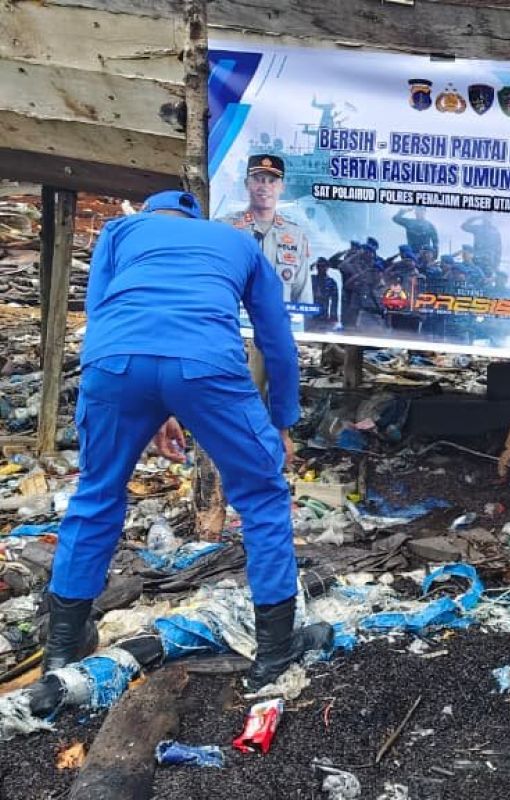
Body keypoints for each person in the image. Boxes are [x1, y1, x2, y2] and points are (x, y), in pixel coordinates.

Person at [44, 190, 331, 688]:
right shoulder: (238, 241)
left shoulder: (120, 231)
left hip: (115, 364)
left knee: (96, 492)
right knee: (262, 497)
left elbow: (101, 311)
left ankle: (62, 650)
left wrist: (148, 405)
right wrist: (281, 420)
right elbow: (275, 337)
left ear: (154, 213)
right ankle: (275, 653)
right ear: (195, 218)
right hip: (207, 366)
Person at [219, 154, 313, 305]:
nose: (265, 186)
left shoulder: (296, 236)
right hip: (234, 323)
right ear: (246, 183)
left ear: (282, 187)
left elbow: (302, 294)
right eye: (258, 179)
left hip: (276, 325)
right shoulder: (224, 229)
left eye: (272, 181)